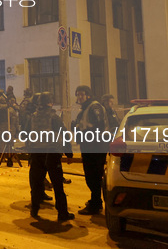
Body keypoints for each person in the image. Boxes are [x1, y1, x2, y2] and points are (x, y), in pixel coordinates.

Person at [26, 92, 74, 221]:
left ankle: (34, 210)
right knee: (58, 185)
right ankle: (62, 213)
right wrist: (68, 153)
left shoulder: (32, 117)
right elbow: (64, 135)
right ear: (50, 103)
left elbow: (25, 135)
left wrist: (30, 152)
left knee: (36, 185)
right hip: (51, 153)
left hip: (36, 154)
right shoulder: (54, 117)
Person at [74, 85, 107, 215]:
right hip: (90, 145)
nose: (79, 97)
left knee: (93, 176)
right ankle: (95, 200)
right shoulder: (87, 108)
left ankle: (96, 204)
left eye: (82, 94)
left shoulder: (94, 107)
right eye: (78, 94)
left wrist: (85, 133)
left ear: (88, 95)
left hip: (95, 146)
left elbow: (99, 126)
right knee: (91, 176)